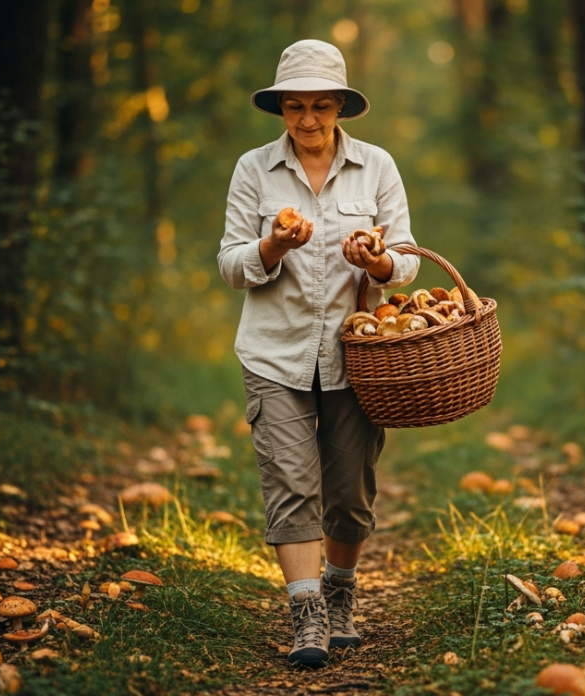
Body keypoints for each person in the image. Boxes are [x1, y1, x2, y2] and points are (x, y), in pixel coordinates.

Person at [217, 39, 419, 668]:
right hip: (273, 354)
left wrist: (378, 260)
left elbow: (407, 259)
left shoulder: (377, 166)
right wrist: (272, 246)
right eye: (295, 106)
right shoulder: (253, 169)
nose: (308, 120)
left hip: (357, 357)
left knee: (350, 495)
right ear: (280, 108)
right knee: (290, 484)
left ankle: (340, 593)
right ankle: (307, 615)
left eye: (321, 106)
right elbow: (229, 264)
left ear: (341, 108)